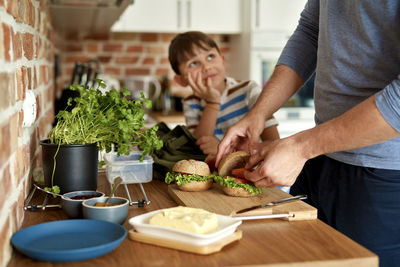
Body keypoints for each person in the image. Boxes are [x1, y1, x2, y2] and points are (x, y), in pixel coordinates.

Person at [216, 1, 400, 266]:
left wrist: (301, 147)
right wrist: (259, 112)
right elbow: (311, 31)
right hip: (319, 158)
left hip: (382, 176)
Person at [168, 31, 279, 156]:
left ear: (222, 60)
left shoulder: (249, 90)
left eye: (210, 57)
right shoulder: (191, 103)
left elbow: (273, 143)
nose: (206, 67)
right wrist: (212, 102)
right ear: (181, 80)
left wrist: (226, 151)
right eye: (193, 63)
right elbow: (199, 147)